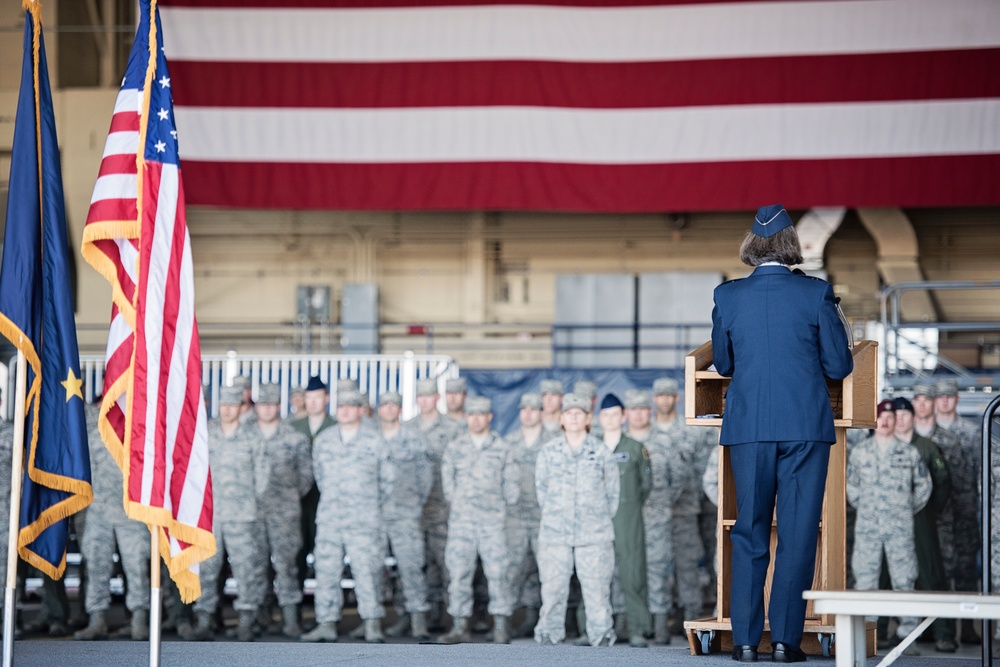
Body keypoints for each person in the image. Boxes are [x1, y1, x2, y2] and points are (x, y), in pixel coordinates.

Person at [710, 204, 854, 663]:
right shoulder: (816, 294)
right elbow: (838, 365)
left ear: (751, 246)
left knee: (750, 532)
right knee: (795, 534)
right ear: (792, 245)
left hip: (749, 428)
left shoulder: (728, 296)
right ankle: (787, 642)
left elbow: (725, 363)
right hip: (804, 429)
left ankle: (748, 641)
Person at [302, 389, 395, 644]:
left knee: (367, 571)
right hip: (331, 518)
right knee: (326, 571)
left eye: (350, 406)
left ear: (360, 410)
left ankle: (372, 623)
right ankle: (326, 623)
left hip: (363, 519)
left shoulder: (374, 441)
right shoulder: (325, 440)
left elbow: (388, 481)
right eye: (341, 406)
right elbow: (319, 476)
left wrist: (368, 504)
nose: (344, 410)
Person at [534, 394, 620, 646]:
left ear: (588, 418)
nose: (573, 417)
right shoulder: (548, 452)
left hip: (594, 535)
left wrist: (596, 520)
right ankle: (548, 635)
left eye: (579, 412)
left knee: (597, 590)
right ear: (561, 418)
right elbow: (542, 491)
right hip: (555, 534)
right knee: (552, 589)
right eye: (568, 412)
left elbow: (613, 495)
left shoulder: (601, 452)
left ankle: (601, 634)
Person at [848, 400, 930, 655]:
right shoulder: (860, 452)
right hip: (868, 526)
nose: (884, 422)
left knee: (904, 579)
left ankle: (908, 636)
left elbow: (924, 487)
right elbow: (852, 487)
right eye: (880, 418)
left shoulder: (909, 453)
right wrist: (868, 507)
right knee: (866, 579)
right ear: (874, 422)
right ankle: (866, 636)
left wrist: (903, 508)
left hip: (900, 527)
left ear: (896, 421)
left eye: (889, 417)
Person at [438, 396, 520, 644]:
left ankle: (501, 626)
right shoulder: (455, 446)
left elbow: (512, 486)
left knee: (498, 574)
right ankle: (460, 626)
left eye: (480, 414)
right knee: (459, 573)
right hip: (462, 522)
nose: (475, 419)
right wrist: (460, 501)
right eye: (471, 414)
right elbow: (447, 481)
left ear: (489, 417)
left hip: (492, 522)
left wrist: (498, 505)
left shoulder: (502, 447)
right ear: (466, 417)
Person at [191, 386, 268, 641]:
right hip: (211, 515)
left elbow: (263, 475)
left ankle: (246, 620)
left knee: (246, 569)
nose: (226, 409)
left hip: (242, 515)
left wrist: (250, 501)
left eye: (232, 405)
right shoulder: (206, 433)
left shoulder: (252, 436)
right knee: (207, 568)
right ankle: (204, 619)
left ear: (240, 407)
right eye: (223, 404)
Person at [75, 401, 151, 641]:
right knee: (96, 564)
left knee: (136, 567)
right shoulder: (91, 420)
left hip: (132, 510)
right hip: (98, 509)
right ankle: (96, 619)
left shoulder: (141, 417)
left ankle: (139, 619)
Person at [583, 392, 651, 647]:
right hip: (596, 519)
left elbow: (646, 487)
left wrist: (627, 507)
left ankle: (638, 629)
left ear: (623, 417)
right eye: (606, 415)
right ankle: (589, 628)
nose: (611, 419)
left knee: (633, 572)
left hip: (627, 518)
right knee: (593, 574)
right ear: (599, 418)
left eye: (615, 414)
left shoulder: (635, 448)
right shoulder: (590, 448)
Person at [652, 377, 719, 628]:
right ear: (655, 399)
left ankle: (696, 611)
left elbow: (707, 466)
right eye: (660, 395)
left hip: (697, 506)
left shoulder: (692, 429)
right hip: (660, 510)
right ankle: (662, 613)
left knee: (692, 561)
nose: (665, 399)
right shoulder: (647, 431)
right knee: (658, 561)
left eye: (669, 395)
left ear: (676, 398)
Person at [625, 388, 690, 644]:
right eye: (634, 409)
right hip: (627, 519)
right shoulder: (619, 442)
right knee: (625, 569)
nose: (639, 414)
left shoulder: (664, 441)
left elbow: (679, 478)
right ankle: (629, 624)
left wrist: (662, 503)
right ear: (626, 413)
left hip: (657, 518)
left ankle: (660, 624)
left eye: (643, 410)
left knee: (658, 569)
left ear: (648, 412)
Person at [248, 383, 313, 638]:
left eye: (271, 403)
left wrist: (290, 497)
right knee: (253, 565)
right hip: (250, 513)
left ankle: (290, 620)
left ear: (278, 405)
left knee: (287, 566)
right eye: (262, 404)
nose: (266, 408)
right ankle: (255, 618)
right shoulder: (245, 435)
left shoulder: (294, 437)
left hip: (284, 512)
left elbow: (306, 475)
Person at [891, 396, 953, 652]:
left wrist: (929, 511)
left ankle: (944, 634)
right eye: (897, 414)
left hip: (921, 518)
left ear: (914, 418)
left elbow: (943, 484)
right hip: (889, 521)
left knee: (930, 574)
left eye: (906, 414)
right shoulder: (883, 445)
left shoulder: (927, 447)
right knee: (886, 574)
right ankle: (882, 632)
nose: (901, 419)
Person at [404, 378, 461, 631]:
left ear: (436, 398)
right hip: (413, 512)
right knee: (416, 566)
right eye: (420, 396)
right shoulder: (406, 429)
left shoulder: (453, 428)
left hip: (443, 510)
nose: (424, 400)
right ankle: (414, 618)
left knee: (446, 565)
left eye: (428, 396)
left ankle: (452, 619)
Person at [377, 391, 434, 640]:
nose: (389, 409)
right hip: (373, 515)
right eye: (385, 405)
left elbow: (426, 476)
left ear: (400, 409)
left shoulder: (414, 439)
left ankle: (418, 620)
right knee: (371, 569)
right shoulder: (368, 438)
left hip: (405, 514)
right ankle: (375, 620)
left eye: (394, 405)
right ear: (379, 409)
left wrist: (415, 504)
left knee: (411, 567)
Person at [933, 378, 983, 646]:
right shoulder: (929, 433)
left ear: (956, 399)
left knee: (965, 570)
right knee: (938, 569)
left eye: (949, 396)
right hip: (940, 512)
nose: (944, 400)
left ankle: (969, 627)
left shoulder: (972, 432)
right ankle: (937, 628)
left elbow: (979, 471)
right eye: (940, 396)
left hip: (964, 509)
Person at [288, 376, 337, 603]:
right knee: (296, 551)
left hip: (327, 501)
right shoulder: (292, 427)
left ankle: (325, 608)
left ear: (326, 399)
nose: (313, 402)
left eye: (318, 397)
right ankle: (294, 610)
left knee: (327, 554)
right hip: (298, 501)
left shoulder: (335, 427)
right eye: (309, 398)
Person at [505, 392, 547, 637]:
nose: (528, 413)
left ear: (541, 412)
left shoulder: (554, 442)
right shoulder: (508, 443)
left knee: (548, 572)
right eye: (524, 409)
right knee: (512, 569)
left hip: (544, 518)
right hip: (516, 519)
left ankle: (548, 622)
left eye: (534, 409)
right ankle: (507, 622)